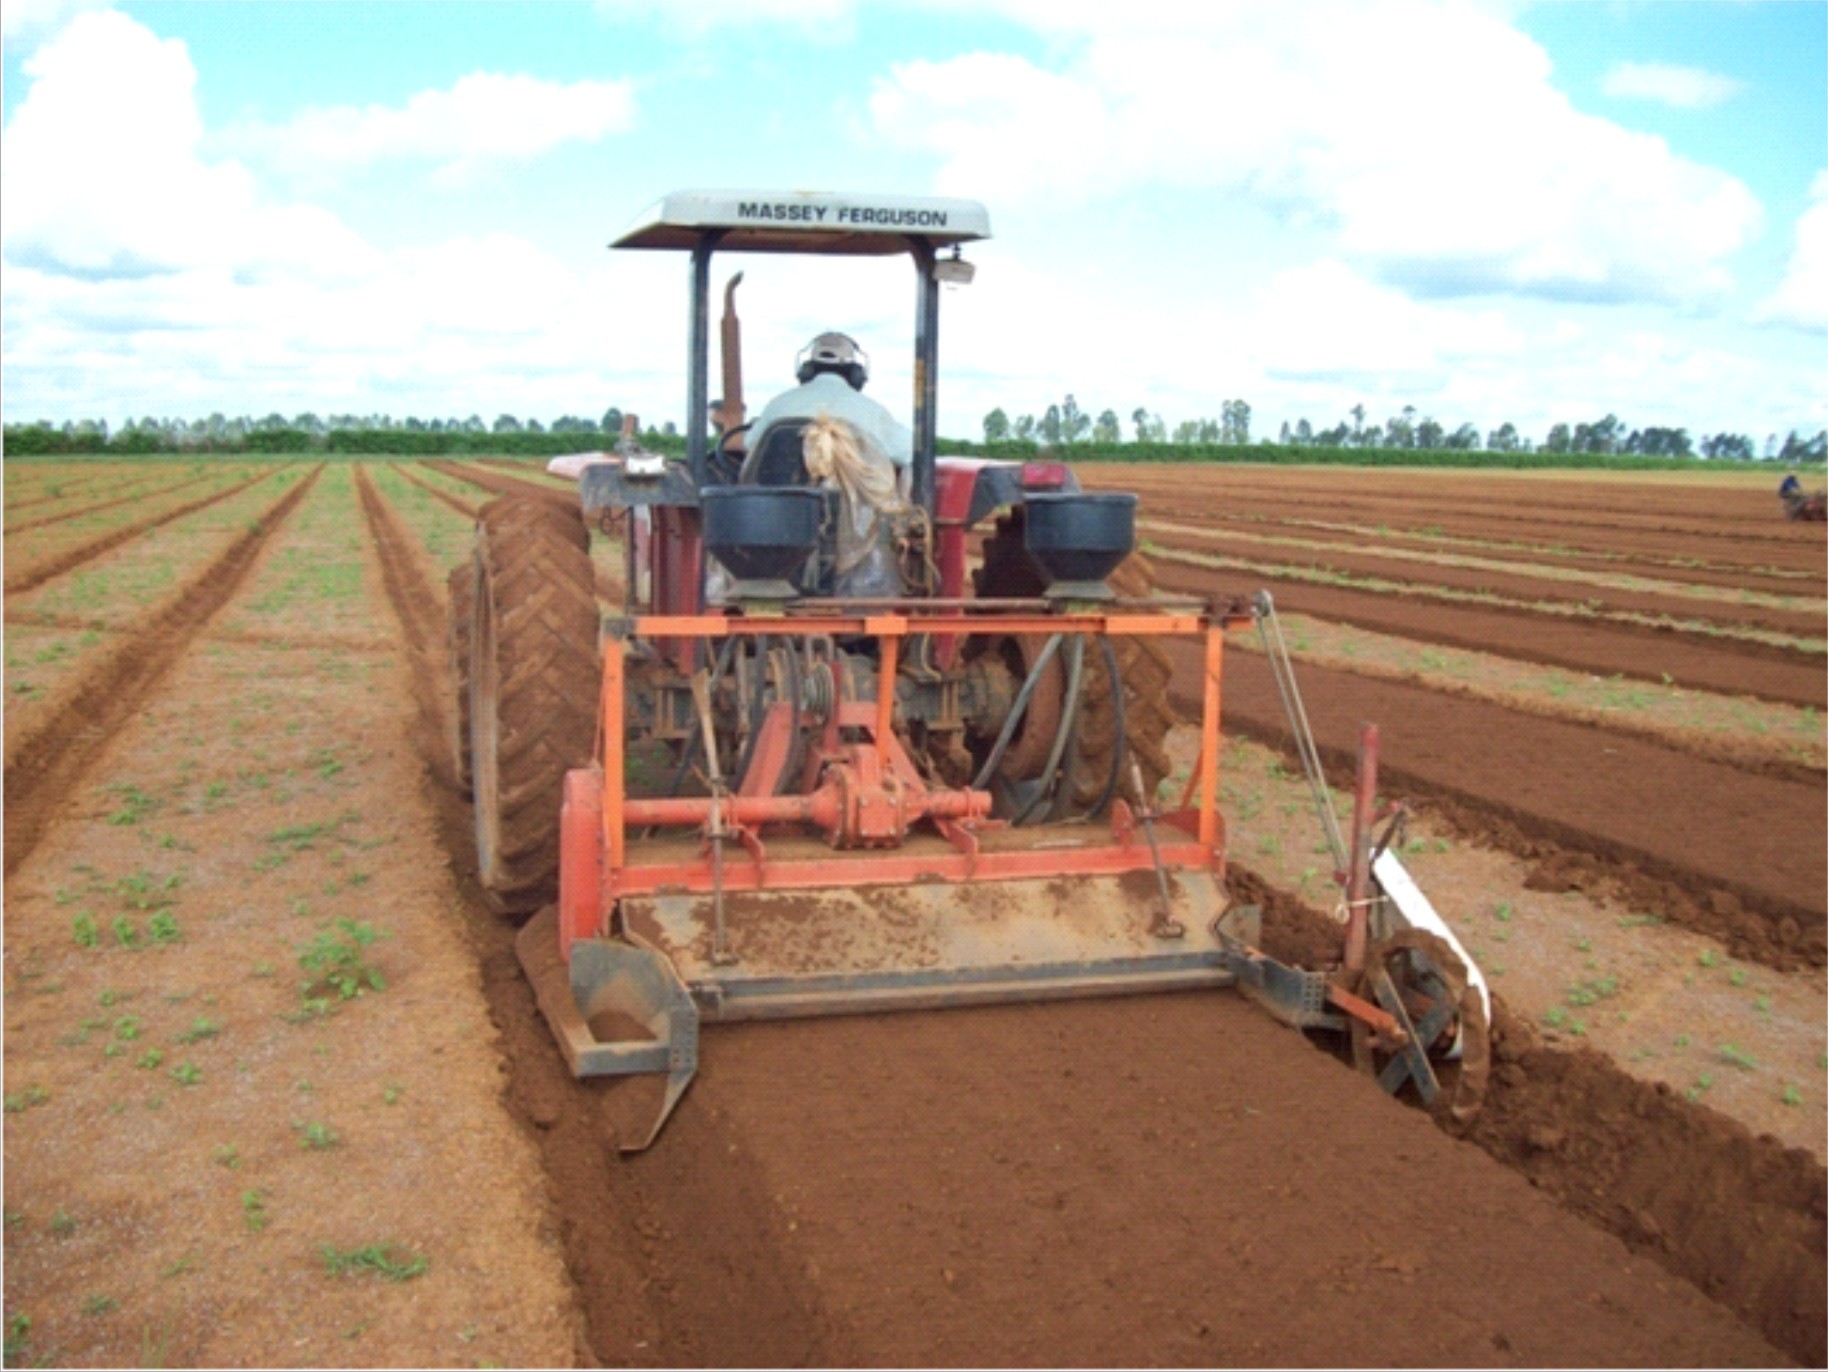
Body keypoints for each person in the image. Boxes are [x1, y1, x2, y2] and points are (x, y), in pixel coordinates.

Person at [746, 332, 912, 478]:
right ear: (857, 374)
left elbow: (749, 444)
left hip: (781, 511)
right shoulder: (871, 412)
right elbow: (909, 452)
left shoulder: (777, 405)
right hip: (852, 512)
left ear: (806, 370)